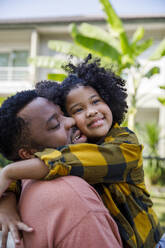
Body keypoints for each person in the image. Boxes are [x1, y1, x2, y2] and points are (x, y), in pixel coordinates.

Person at [0, 55, 163, 247]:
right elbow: (22, 174)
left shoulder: (126, 145)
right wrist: (6, 204)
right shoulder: (70, 148)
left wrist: (9, 172)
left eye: (96, 101)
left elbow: (67, 161)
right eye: (77, 110)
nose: (92, 111)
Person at [0, 89, 122, 248]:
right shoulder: (73, 197)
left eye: (62, 113)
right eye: (55, 125)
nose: (71, 121)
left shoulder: (25, 181)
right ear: (28, 153)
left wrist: (8, 177)